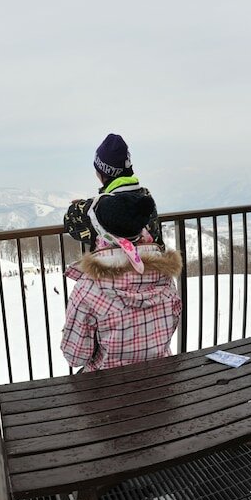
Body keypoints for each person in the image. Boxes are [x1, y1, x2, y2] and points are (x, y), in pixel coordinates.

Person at [60, 188, 183, 372]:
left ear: (100, 231)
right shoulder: (165, 277)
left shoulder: (89, 289)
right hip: (159, 374)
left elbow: (75, 356)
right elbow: (171, 325)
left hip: (109, 383)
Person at [64, 133, 163, 252]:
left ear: (102, 172)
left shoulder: (95, 209)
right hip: (150, 262)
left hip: (112, 264)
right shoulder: (145, 198)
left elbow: (69, 222)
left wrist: (84, 205)